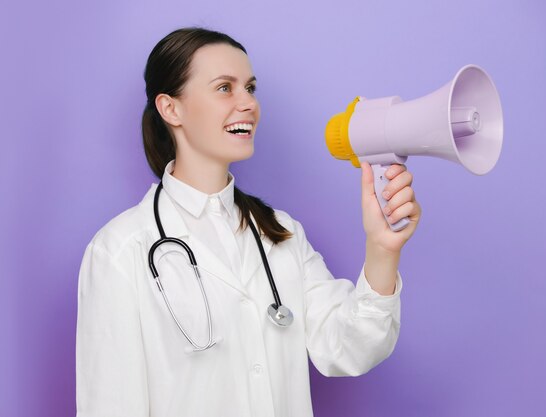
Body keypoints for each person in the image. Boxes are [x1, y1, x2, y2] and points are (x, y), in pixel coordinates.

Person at [76, 27, 421, 417]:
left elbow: (351, 347)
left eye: (251, 88)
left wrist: (382, 248)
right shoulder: (120, 250)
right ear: (171, 108)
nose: (248, 104)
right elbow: (110, 405)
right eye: (225, 88)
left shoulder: (280, 233)